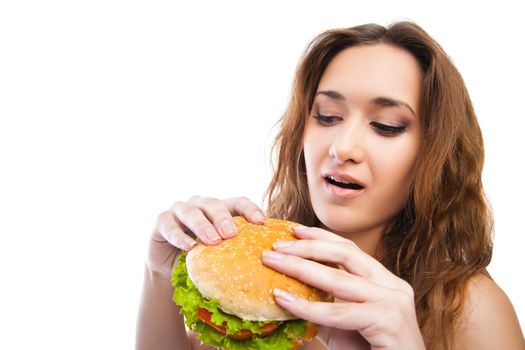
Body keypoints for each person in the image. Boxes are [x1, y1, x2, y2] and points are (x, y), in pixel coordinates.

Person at [136, 21, 525, 350]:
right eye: (326, 116)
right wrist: (159, 275)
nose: (342, 148)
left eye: (386, 125)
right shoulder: (261, 282)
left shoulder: (470, 309)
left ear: (434, 152)